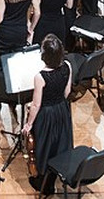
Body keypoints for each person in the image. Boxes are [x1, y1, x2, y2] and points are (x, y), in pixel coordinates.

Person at [22, 34, 72, 194]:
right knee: (59, 142)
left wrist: (28, 124)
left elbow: (36, 104)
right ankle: (57, 172)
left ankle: (44, 183)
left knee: (45, 144)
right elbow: (67, 92)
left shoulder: (40, 77)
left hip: (47, 113)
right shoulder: (68, 66)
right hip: (62, 109)